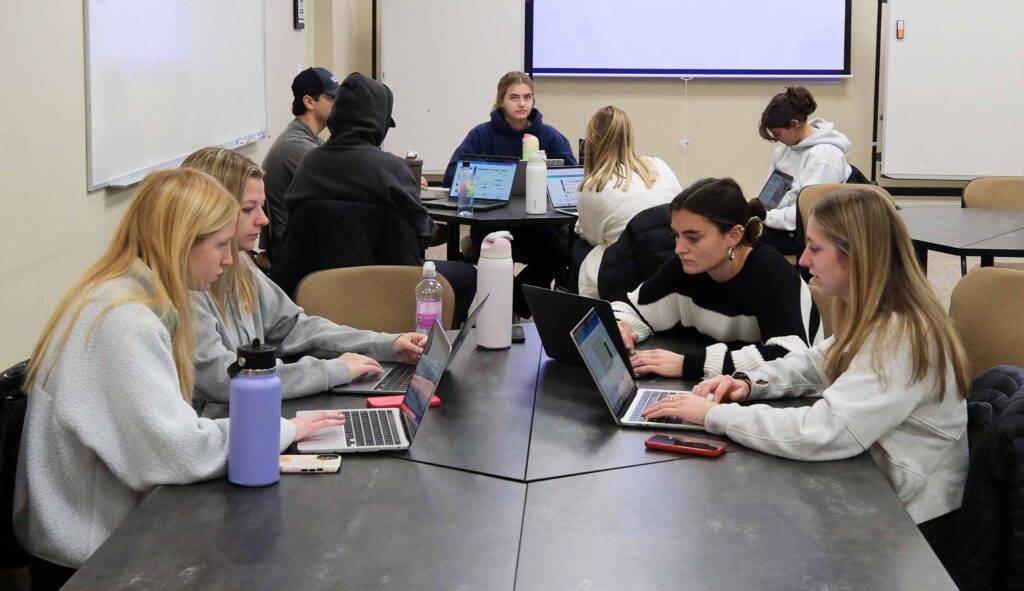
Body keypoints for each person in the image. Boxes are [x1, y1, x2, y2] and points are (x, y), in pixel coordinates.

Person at [12, 169, 345, 587]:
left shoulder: (121, 292)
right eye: (220, 245)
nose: (229, 260)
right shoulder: (124, 321)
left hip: (92, 530)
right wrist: (281, 430)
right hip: (88, 556)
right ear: (181, 242)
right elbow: (177, 452)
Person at [643, 187, 969, 560]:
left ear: (856, 256)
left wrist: (716, 415)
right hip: (877, 483)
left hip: (914, 523)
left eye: (816, 248)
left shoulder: (902, 334)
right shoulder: (874, 310)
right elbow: (815, 362)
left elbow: (826, 432)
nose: (803, 260)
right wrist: (749, 384)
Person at [181, 147, 426, 419]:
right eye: (248, 209)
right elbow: (221, 379)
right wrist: (330, 371)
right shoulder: (188, 285)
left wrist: (387, 344)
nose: (263, 219)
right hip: (226, 432)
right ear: (210, 212)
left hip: (253, 414)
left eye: (262, 207)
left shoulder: (240, 266)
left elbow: (294, 328)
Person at [281, 72, 476, 322]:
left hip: (319, 290)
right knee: (467, 275)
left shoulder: (310, 163)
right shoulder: (392, 169)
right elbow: (424, 233)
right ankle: (438, 346)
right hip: (391, 285)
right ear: (378, 121)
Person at [614, 178, 822, 380]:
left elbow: (790, 357)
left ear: (734, 236)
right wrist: (621, 326)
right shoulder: (686, 266)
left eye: (693, 238)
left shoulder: (771, 274)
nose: (679, 249)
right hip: (723, 391)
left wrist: (688, 365)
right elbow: (633, 308)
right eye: (676, 235)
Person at [442, 71, 576, 317]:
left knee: (561, 255)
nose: (522, 103)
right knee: (526, 250)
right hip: (490, 221)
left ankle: (513, 302)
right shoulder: (481, 135)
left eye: (527, 97)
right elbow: (453, 175)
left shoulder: (549, 136)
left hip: (537, 222)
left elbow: (571, 178)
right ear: (501, 100)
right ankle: (514, 305)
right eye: (514, 97)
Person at [574, 105, 682, 297]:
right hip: (672, 257)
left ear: (592, 140)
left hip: (632, 268)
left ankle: (580, 311)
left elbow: (593, 238)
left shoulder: (594, 185)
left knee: (578, 246)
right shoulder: (659, 164)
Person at [757, 86, 852, 255]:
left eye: (778, 133)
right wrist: (755, 212)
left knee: (738, 240)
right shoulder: (783, 152)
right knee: (730, 231)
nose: (776, 139)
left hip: (806, 232)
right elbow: (769, 201)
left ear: (794, 124)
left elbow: (809, 215)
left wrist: (766, 218)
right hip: (782, 224)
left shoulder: (824, 156)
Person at [261, 67, 341, 257]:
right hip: (291, 252)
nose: (339, 105)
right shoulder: (296, 145)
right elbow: (342, 181)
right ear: (309, 101)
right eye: (331, 99)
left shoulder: (310, 138)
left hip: (302, 241)